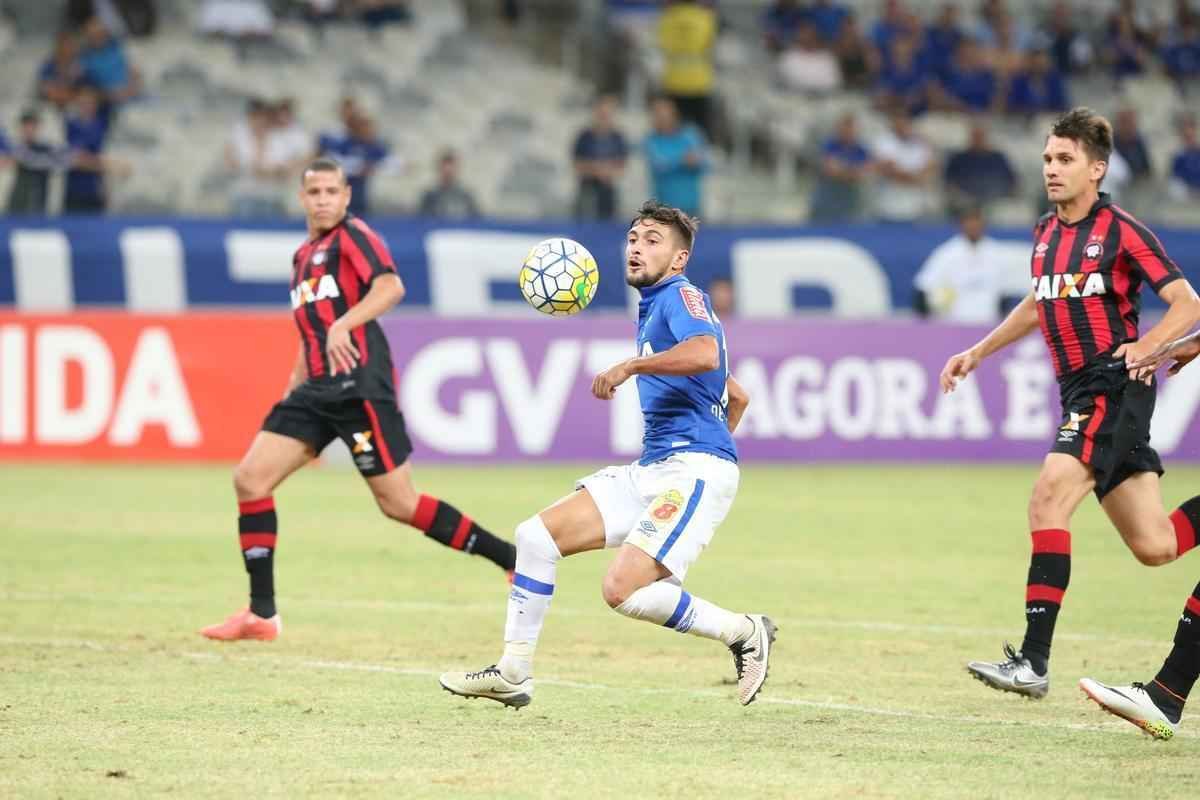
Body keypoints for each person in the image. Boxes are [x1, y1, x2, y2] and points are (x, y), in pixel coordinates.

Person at [438, 200, 774, 708]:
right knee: (535, 537)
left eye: (652, 240)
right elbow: (738, 394)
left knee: (622, 590)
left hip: (691, 470)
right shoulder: (656, 307)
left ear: (680, 258)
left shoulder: (682, 296)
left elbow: (705, 353)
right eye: (634, 237)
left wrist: (634, 372)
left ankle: (744, 632)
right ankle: (513, 673)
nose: (637, 247)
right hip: (659, 468)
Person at [937, 109, 1200, 727]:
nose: (1051, 170)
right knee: (1155, 546)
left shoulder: (1121, 230)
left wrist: (1149, 345)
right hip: (1080, 389)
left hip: (1112, 386)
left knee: (1047, 501)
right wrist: (979, 350)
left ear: (1096, 168)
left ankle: (1032, 661)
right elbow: (1040, 301)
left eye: (1065, 160)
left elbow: (1187, 302)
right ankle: (1033, 662)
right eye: (1048, 159)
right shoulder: (1043, 233)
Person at [200, 158, 516, 642]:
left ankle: (509, 559)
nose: (324, 199)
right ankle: (261, 616)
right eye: (315, 192)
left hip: (360, 388)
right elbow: (312, 334)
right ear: (302, 198)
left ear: (347, 196)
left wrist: (346, 323)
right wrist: (293, 391)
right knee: (250, 479)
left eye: (332, 191)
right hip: (315, 390)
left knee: (399, 504)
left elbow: (391, 286)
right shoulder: (302, 256)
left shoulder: (354, 236)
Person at [913, 207, 1008, 323]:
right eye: (969, 221)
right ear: (961, 224)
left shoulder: (996, 253)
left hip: (989, 324)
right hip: (954, 324)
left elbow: (1005, 294)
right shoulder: (946, 253)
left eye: (976, 220)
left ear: (984, 224)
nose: (973, 225)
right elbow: (923, 288)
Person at [656, 0, 717, 137]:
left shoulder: (667, 18)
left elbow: (662, 45)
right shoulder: (705, 18)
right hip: (699, 80)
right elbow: (710, 45)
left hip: (673, 79)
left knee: (669, 130)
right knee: (701, 131)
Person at [317, 105, 390, 217]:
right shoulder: (347, 144)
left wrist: (373, 167)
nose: (367, 131)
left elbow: (389, 162)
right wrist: (358, 168)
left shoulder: (376, 146)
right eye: (363, 127)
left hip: (361, 191)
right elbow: (336, 160)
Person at [644, 96, 707, 217]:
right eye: (658, 116)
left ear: (674, 115)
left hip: (691, 206)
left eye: (665, 116)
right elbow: (658, 166)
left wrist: (697, 162)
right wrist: (681, 161)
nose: (662, 120)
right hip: (663, 208)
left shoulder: (691, 134)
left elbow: (704, 163)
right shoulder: (651, 140)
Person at [870, 106, 936, 222]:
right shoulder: (883, 141)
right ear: (893, 123)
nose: (902, 125)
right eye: (899, 121)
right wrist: (913, 177)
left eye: (905, 122)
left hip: (916, 203)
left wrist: (912, 176)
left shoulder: (920, 143)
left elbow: (929, 168)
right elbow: (887, 170)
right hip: (889, 201)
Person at [571, 95, 628, 221]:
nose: (604, 117)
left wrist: (606, 171)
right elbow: (577, 163)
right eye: (601, 113)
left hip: (607, 191)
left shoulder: (617, 138)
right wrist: (597, 170)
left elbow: (621, 165)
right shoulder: (585, 136)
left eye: (607, 113)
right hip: (587, 190)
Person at [809, 112, 872, 222]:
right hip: (826, 200)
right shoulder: (829, 145)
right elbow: (830, 170)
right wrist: (853, 171)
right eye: (845, 127)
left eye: (851, 128)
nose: (848, 131)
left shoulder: (861, 149)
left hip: (849, 200)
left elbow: (865, 173)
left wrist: (842, 169)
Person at [943, 121, 1017, 210]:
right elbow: (949, 182)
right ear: (970, 137)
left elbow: (1011, 181)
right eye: (975, 136)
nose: (978, 139)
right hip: (964, 199)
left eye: (981, 136)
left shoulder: (998, 158)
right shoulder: (959, 158)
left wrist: (1000, 195)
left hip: (995, 199)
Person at [63, 84, 112, 214]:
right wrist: (108, 165)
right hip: (75, 189)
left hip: (95, 190)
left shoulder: (101, 126)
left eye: (90, 102)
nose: (87, 106)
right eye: (83, 102)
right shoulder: (71, 126)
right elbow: (76, 159)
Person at [7, 110, 59, 215]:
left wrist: (32, 159)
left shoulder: (46, 148)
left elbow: (57, 163)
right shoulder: (14, 147)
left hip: (40, 200)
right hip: (18, 200)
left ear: (37, 127)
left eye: (32, 126)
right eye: (26, 126)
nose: (29, 129)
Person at [418, 150, 480, 218]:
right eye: (445, 171)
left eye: (451, 171)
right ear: (439, 170)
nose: (448, 173)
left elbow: (477, 219)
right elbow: (421, 220)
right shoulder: (430, 197)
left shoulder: (466, 197)